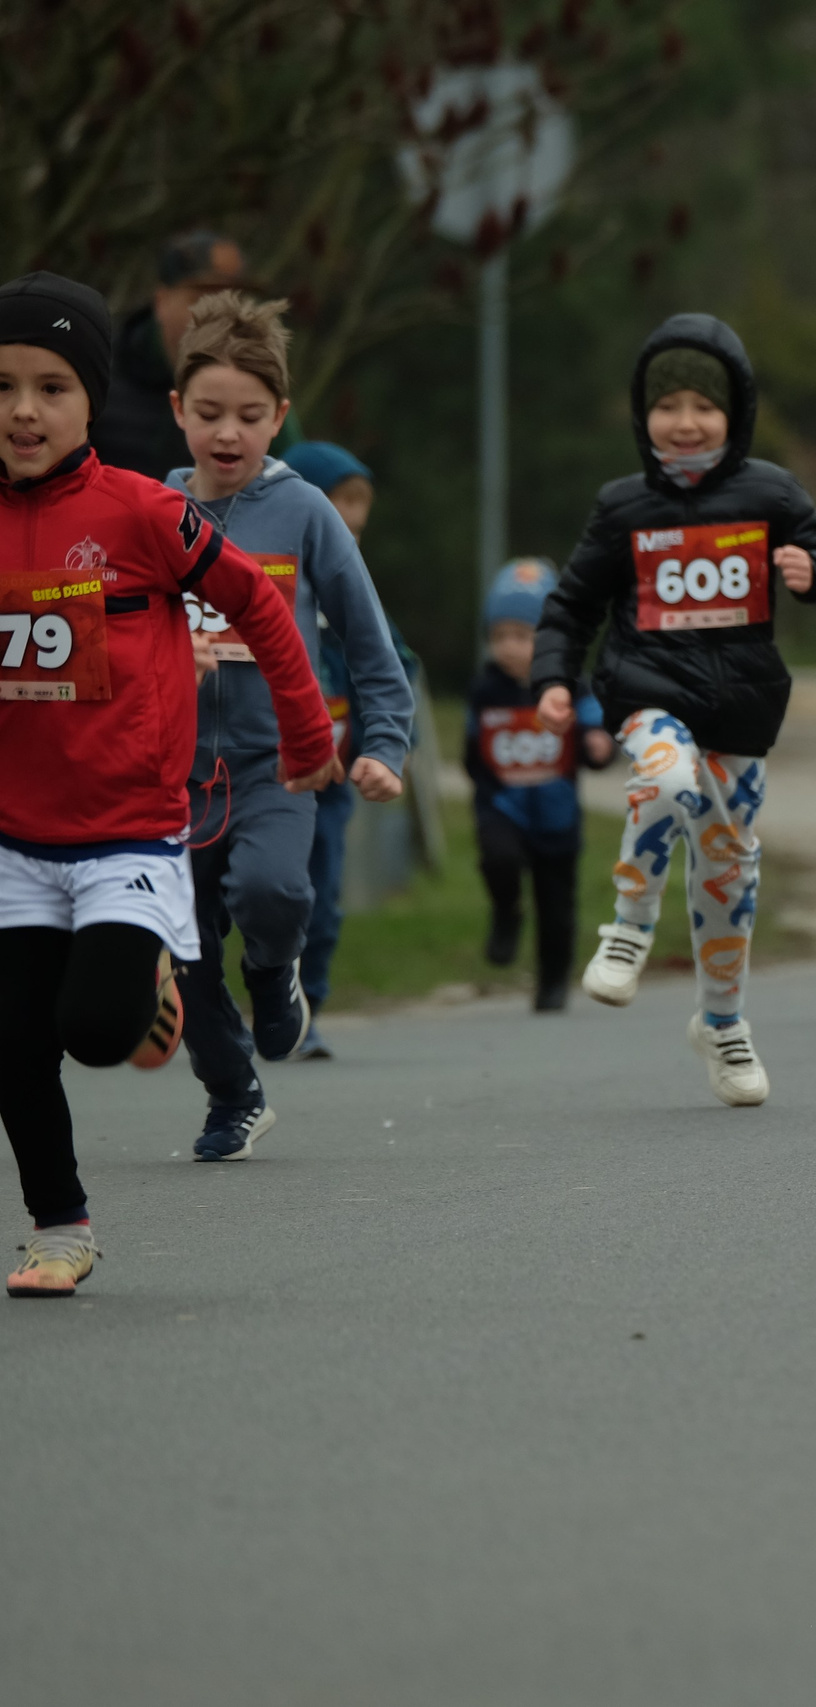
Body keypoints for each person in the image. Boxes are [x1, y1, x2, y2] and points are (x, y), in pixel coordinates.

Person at [0, 271, 337, 1296]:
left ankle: (146, 974)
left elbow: (261, 609)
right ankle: (60, 1226)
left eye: (52, 387)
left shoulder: (144, 513)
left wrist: (303, 727)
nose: (23, 410)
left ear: (91, 401)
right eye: (4, 386)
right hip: (15, 835)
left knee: (96, 1034)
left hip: (127, 830)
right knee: (14, 1044)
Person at [532, 313, 816, 1108]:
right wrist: (554, 678)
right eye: (666, 406)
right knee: (669, 780)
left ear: (733, 413)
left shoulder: (768, 491)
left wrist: (813, 570)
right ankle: (630, 923)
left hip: (739, 706)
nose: (684, 423)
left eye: (702, 408)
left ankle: (721, 1022)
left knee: (727, 874)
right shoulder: (623, 507)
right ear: (644, 416)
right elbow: (570, 605)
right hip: (647, 690)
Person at [165, 294, 411, 1163]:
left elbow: (371, 643)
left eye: (249, 416)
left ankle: (276, 976)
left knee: (275, 890)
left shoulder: (305, 512)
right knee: (182, 944)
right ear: (177, 413)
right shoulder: (155, 510)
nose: (227, 434)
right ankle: (231, 1095)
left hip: (281, 764)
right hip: (171, 774)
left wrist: (381, 744)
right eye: (208, 414)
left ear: (280, 414)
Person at [277, 437, 387, 1059]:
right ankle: (210, 1002)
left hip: (334, 779)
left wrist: (391, 743)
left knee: (320, 901)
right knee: (249, 895)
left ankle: (307, 1009)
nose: (356, 518)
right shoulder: (267, 583)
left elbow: (393, 663)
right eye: (343, 501)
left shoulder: (355, 589)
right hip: (262, 770)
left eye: (362, 504)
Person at [467, 559, 614, 1010]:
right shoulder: (485, 689)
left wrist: (597, 743)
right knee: (498, 859)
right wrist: (485, 788)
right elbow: (472, 750)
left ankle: (552, 983)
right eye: (500, 637)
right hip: (503, 804)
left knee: (557, 906)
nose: (509, 648)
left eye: (522, 636)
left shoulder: (569, 687)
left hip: (556, 812)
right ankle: (506, 912)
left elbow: (596, 728)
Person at [92, 231, 274, 479]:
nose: (220, 312)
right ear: (162, 302)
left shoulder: (259, 384)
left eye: (234, 299)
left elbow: (292, 477)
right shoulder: (96, 376)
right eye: (203, 298)